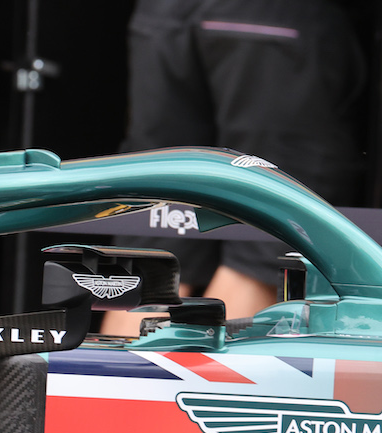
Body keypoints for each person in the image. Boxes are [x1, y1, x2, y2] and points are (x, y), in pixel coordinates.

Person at [102, 0, 366, 335]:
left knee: (152, 258)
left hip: (165, 14)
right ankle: (184, 383)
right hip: (269, 17)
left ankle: (122, 383)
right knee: (263, 233)